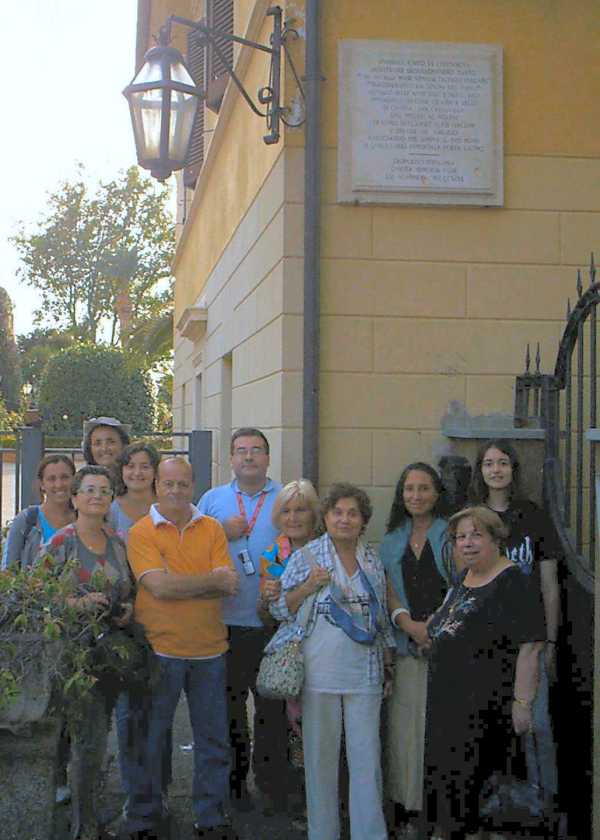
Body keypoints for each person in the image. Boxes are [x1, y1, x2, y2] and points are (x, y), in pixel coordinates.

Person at [269, 482, 395, 840]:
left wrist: (388, 663)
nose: (345, 519)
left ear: (363, 520)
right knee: (320, 764)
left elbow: (381, 615)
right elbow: (280, 608)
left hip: (364, 675)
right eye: (337, 512)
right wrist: (308, 585)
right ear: (325, 517)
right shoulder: (305, 557)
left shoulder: (372, 558)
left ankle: (369, 834)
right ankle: (321, 833)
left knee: (367, 763)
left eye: (352, 513)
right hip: (318, 672)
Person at [123, 457, 240, 839]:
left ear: (193, 486)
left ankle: (210, 817)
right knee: (152, 739)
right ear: (157, 486)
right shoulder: (142, 532)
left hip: (210, 651)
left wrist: (182, 582)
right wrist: (207, 582)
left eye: (183, 484)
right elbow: (157, 587)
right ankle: (145, 816)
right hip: (161, 650)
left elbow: (228, 584)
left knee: (213, 742)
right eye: (169, 484)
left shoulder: (212, 529)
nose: (176, 491)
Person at [424, 506, 545, 840]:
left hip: (486, 708)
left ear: (495, 539)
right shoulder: (464, 577)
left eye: (476, 535)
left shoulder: (513, 581)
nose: (467, 543)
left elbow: (531, 644)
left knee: (480, 795)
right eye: (461, 537)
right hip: (449, 705)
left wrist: (522, 702)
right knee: (451, 788)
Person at [40, 465, 133, 840]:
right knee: (85, 741)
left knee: (96, 740)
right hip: (72, 657)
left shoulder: (117, 541)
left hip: (110, 654)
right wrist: (76, 605)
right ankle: (83, 826)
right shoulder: (61, 543)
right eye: (89, 489)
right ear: (75, 498)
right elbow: (37, 595)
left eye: (104, 490)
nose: (97, 495)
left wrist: (127, 609)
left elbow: (128, 591)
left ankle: (87, 818)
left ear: (112, 499)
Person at [197, 428, 285, 811]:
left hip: (271, 623)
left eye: (256, 451)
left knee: (272, 710)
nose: (248, 457)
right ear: (230, 459)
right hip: (224, 623)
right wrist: (218, 528)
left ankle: (271, 784)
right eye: (241, 451)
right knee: (230, 711)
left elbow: (301, 542)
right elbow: (192, 545)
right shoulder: (212, 500)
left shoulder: (286, 498)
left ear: (268, 457)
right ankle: (235, 787)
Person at [468, 439, 559, 801]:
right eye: (488, 463)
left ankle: (545, 801)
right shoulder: (472, 518)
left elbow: (549, 584)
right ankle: (492, 805)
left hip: (530, 639)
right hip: (486, 640)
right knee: (490, 724)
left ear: (513, 469)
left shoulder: (532, 515)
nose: (496, 469)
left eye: (503, 462)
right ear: (480, 471)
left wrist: (550, 641)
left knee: (536, 725)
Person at [379, 462, 450, 838]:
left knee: (440, 733)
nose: (416, 496)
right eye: (409, 489)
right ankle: (408, 811)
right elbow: (387, 590)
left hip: (447, 649)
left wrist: (435, 630)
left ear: (437, 493)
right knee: (405, 736)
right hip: (407, 646)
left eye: (424, 488)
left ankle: (440, 813)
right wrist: (409, 625)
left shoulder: (453, 534)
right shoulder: (391, 539)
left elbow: (463, 585)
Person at [258, 478, 321, 823]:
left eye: (301, 510)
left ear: (314, 515)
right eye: (287, 511)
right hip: (290, 654)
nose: (294, 518)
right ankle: (295, 794)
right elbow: (265, 613)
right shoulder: (274, 554)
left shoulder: (327, 548)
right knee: (292, 725)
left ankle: (319, 797)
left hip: (325, 649)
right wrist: (267, 598)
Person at [108, 442, 164, 802]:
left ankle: (160, 788)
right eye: (131, 467)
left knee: (159, 712)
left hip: (163, 614)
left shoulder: (168, 507)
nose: (137, 473)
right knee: (128, 714)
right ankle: (133, 794)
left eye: (145, 466)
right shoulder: (111, 510)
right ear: (122, 471)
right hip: (125, 619)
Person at [2, 454, 76, 569]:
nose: (59, 484)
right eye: (51, 479)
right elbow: (8, 568)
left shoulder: (83, 520)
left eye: (65, 477)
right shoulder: (26, 520)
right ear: (42, 484)